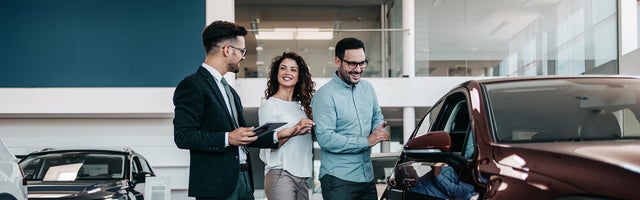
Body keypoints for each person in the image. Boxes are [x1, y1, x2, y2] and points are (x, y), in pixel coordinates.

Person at [173, 20, 291, 200]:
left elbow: (242, 136)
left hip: (243, 180)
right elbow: (183, 136)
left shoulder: (230, 91)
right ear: (228, 50)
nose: (243, 57)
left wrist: (279, 135)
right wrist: (228, 138)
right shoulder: (192, 85)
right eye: (242, 51)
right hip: (216, 186)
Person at [311, 37, 390, 200]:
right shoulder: (325, 96)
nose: (358, 69)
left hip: (367, 177)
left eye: (362, 63)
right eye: (352, 64)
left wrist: (377, 128)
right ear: (337, 61)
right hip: (338, 180)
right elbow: (326, 139)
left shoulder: (368, 88)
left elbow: (377, 115)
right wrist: (366, 141)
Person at [259, 52, 316, 200]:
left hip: (303, 176)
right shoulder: (269, 105)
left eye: (293, 69)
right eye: (283, 68)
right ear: (276, 73)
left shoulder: (302, 108)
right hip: (281, 172)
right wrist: (295, 130)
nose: (287, 72)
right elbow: (268, 144)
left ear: (299, 76)